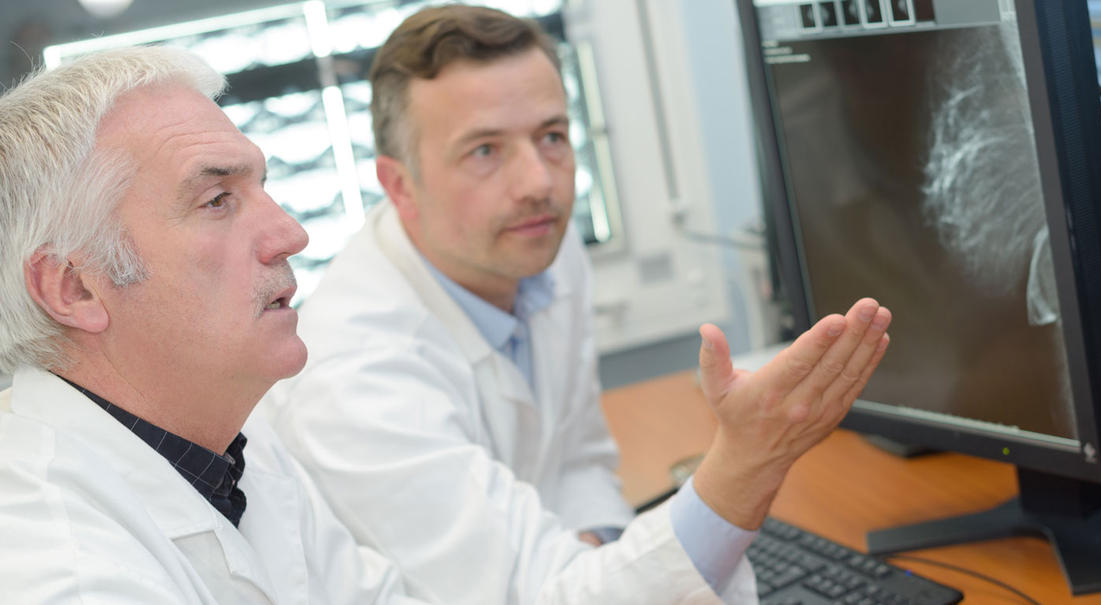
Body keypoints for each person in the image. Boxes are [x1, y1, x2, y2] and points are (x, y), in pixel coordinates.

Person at [263, 4, 890, 605]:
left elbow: (578, 458)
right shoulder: (353, 381)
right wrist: (746, 463)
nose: (539, 182)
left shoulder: (535, 248)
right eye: (485, 150)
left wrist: (595, 551)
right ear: (401, 186)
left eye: (552, 136)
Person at [0, 47, 422, 603]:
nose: (290, 234)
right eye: (218, 199)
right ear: (75, 287)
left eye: (262, 187)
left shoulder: (230, 443)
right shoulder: (54, 563)